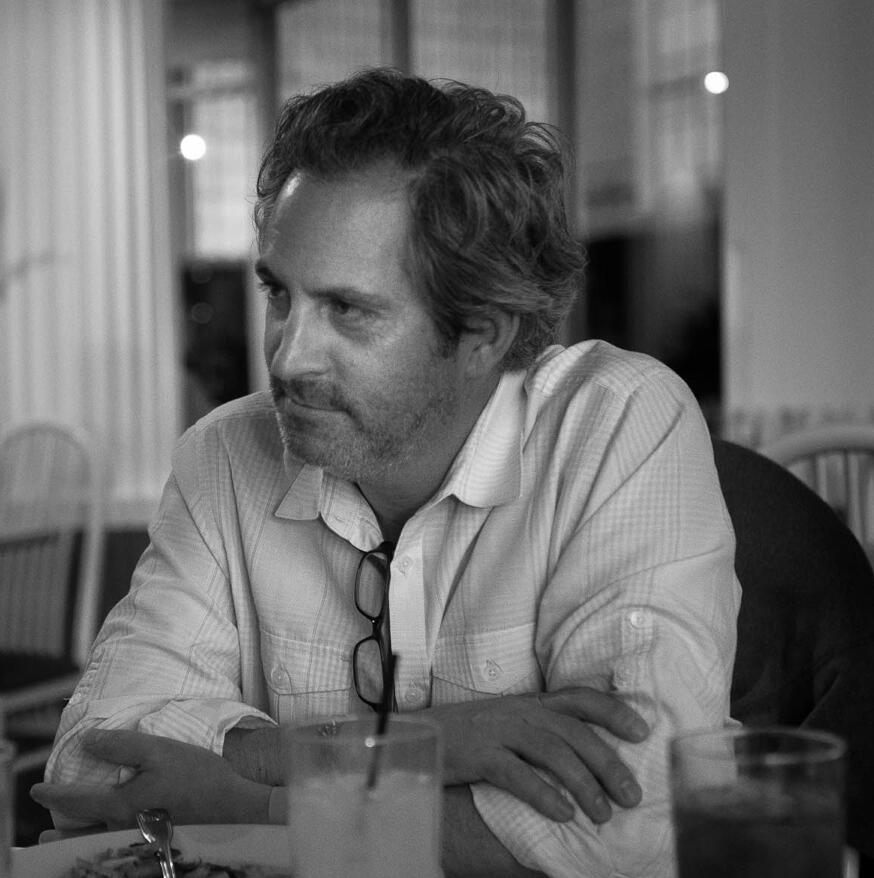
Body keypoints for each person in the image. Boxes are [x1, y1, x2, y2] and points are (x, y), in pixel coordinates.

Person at [32, 67, 739, 877]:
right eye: (280, 296)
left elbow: (637, 824)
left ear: (480, 333)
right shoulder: (223, 456)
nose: (288, 359)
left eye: (347, 309)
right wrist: (428, 746)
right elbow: (89, 765)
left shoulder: (618, 423)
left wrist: (254, 800)